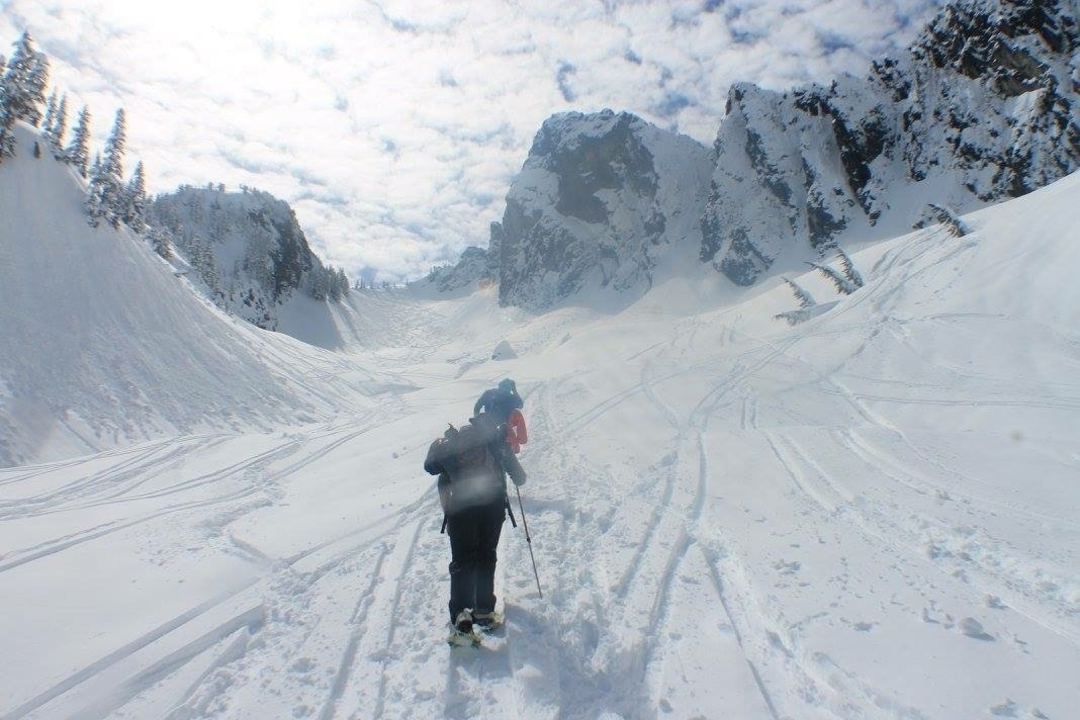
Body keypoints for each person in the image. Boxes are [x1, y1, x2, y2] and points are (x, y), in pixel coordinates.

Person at [425, 413, 526, 644]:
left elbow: (432, 468)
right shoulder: (495, 443)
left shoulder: (451, 448)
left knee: (462, 560)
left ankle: (461, 618)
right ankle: (484, 612)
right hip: (492, 507)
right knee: (486, 555)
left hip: (460, 509)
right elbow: (520, 478)